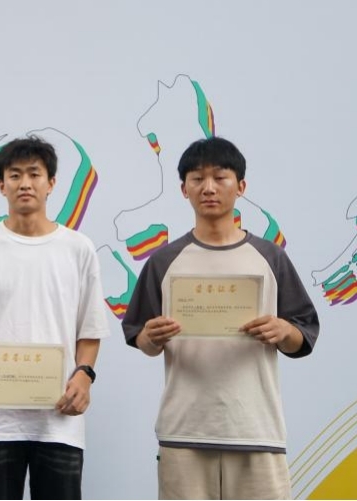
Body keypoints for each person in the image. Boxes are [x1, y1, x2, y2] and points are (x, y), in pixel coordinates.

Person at [122, 137, 319, 500]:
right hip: (184, 431)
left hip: (256, 430)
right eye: (197, 179)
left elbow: (303, 335)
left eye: (220, 177)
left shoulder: (271, 257)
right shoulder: (163, 261)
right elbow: (141, 337)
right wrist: (151, 337)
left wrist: (282, 330)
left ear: (241, 186)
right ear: (184, 189)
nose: (208, 188)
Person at [0, 136, 110, 500]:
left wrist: (84, 375)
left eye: (35, 174)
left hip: (59, 417)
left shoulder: (77, 248)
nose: (25, 183)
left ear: (51, 183)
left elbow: (90, 327)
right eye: (15, 175)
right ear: (1, 185)